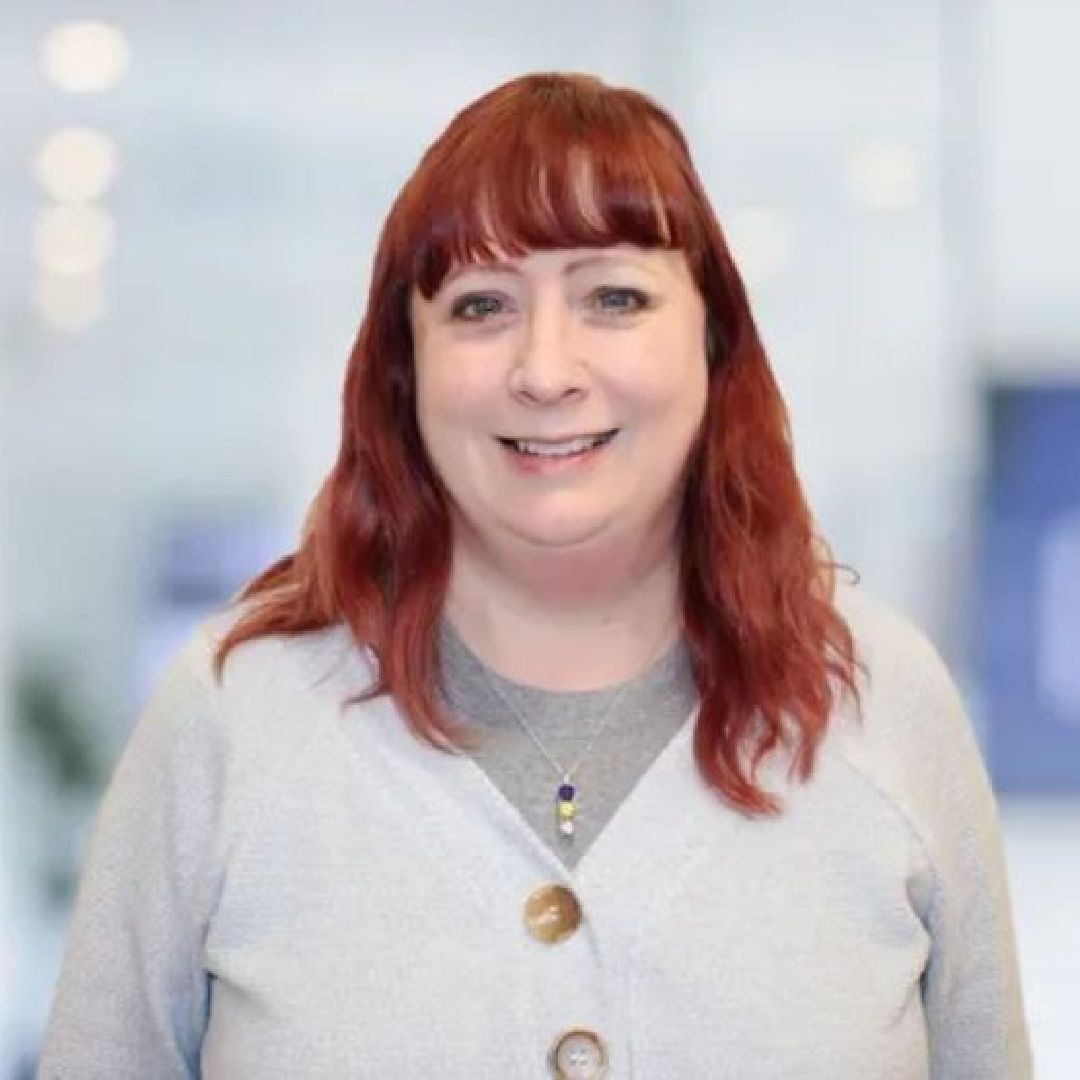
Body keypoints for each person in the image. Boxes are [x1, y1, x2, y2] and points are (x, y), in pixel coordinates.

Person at [38, 72, 1031, 1079]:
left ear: (715, 343)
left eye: (614, 297)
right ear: (403, 371)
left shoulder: (881, 704)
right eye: (480, 305)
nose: (546, 370)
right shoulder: (235, 719)